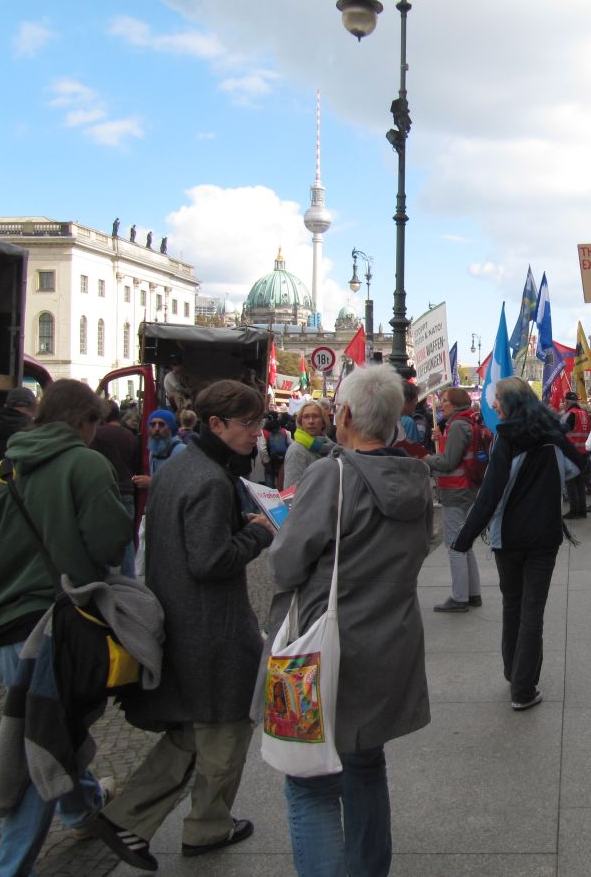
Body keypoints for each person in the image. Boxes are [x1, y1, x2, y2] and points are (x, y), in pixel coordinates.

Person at [89, 381, 275, 871]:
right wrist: (258, 534)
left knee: (197, 731)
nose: (257, 433)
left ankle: (129, 817)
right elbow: (211, 559)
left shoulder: (180, 466)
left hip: (182, 615)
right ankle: (205, 826)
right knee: (225, 727)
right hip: (211, 625)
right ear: (216, 425)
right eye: (248, 424)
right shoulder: (211, 479)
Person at [266, 363, 431, 877]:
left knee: (310, 783)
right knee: (365, 763)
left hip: (322, 647)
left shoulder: (330, 475)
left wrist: (279, 526)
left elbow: (285, 565)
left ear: (343, 415)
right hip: (389, 642)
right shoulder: (418, 478)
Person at [0, 380, 131, 877]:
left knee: (43, 727)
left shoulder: (0, 472)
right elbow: (109, 544)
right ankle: (9, 869)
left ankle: (81, 809)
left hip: (0, 627)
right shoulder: (86, 464)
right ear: (84, 420)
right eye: (96, 423)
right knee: (43, 748)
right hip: (55, 629)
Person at [451, 376, 581, 711]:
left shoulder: (505, 440)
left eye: (497, 400)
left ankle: (515, 674)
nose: (493, 406)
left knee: (513, 605)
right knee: (532, 612)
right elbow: (578, 466)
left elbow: (490, 494)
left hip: (507, 537)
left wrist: (463, 539)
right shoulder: (553, 436)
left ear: (510, 403)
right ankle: (522, 688)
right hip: (544, 536)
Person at [424, 386, 484, 612]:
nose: (441, 405)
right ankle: (472, 593)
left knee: (455, 545)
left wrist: (426, 458)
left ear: (457, 403)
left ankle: (460, 597)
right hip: (466, 488)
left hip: (456, 490)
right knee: (464, 543)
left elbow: (449, 462)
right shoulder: (465, 421)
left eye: (445, 401)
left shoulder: (458, 425)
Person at [91, 400, 141, 577]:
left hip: (104, 489)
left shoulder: (97, 434)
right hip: (127, 490)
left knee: (101, 534)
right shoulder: (130, 436)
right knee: (126, 538)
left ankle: (102, 575)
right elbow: (135, 464)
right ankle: (130, 577)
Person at [282, 400, 334, 489]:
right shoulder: (296, 450)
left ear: (323, 422)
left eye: (315, 416)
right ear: (301, 422)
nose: (311, 421)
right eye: (306, 417)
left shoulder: (332, 448)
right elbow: (291, 491)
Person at [131, 409, 185, 490]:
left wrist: (152, 483)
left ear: (171, 428)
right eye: (153, 424)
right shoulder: (153, 449)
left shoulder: (180, 450)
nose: (156, 428)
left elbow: (184, 483)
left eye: (161, 424)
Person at [560, 391, 591, 519]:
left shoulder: (570, 415)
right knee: (580, 482)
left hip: (571, 452)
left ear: (567, 402)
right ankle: (582, 510)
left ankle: (574, 510)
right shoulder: (585, 414)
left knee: (571, 482)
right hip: (583, 452)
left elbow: (561, 431)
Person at [262, 411, 291, 489]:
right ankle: (281, 497)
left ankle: (270, 497)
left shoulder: (264, 432)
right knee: (282, 480)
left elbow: (262, 449)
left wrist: (266, 462)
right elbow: (291, 444)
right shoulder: (284, 431)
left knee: (269, 479)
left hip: (270, 460)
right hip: (282, 461)